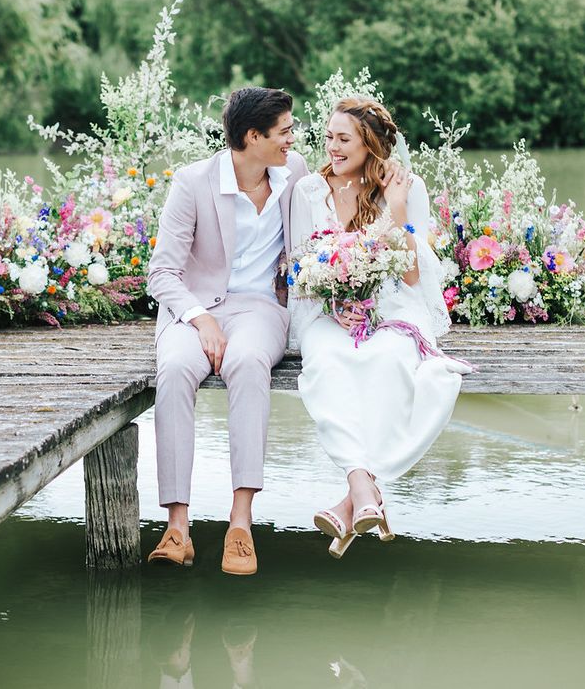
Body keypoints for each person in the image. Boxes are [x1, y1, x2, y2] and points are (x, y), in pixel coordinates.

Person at [289, 96, 471, 557]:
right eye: (328, 137)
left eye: (343, 139)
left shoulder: (408, 187)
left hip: (393, 306)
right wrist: (334, 303)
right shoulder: (309, 191)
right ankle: (363, 490)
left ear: (370, 144)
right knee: (326, 361)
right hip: (328, 310)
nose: (332, 147)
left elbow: (409, 277)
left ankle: (354, 495)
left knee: (389, 360)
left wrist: (397, 206)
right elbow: (299, 268)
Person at [147, 87, 309, 575]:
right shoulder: (193, 182)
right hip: (196, 307)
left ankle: (240, 523)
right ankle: (177, 526)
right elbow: (162, 273)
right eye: (284, 132)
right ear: (253, 137)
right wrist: (202, 320)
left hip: (261, 308)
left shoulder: (295, 173)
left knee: (247, 361)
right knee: (175, 369)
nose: (292, 139)